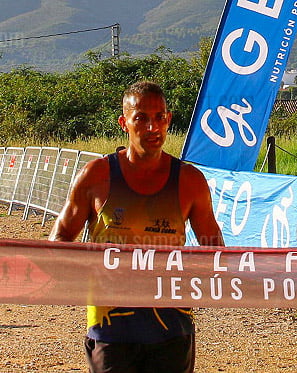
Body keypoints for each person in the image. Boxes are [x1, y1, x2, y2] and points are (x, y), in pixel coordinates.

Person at [49, 81, 224, 373]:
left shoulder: (190, 181)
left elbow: (215, 249)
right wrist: (83, 271)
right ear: (124, 123)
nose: (152, 127)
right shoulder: (96, 176)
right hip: (111, 328)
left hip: (172, 326)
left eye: (159, 117)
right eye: (141, 117)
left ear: (168, 120)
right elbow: (60, 238)